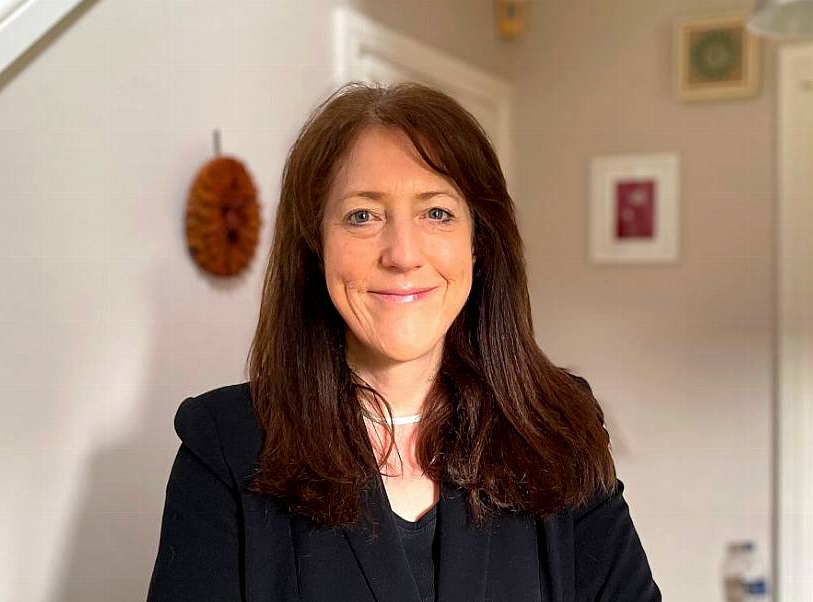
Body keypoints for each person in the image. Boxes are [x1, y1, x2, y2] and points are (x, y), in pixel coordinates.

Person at [147, 81, 662, 602]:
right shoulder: (225, 446)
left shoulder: (557, 429)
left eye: (436, 212)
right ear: (315, 245)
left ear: (478, 242)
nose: (402, 254)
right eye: (362, 216)